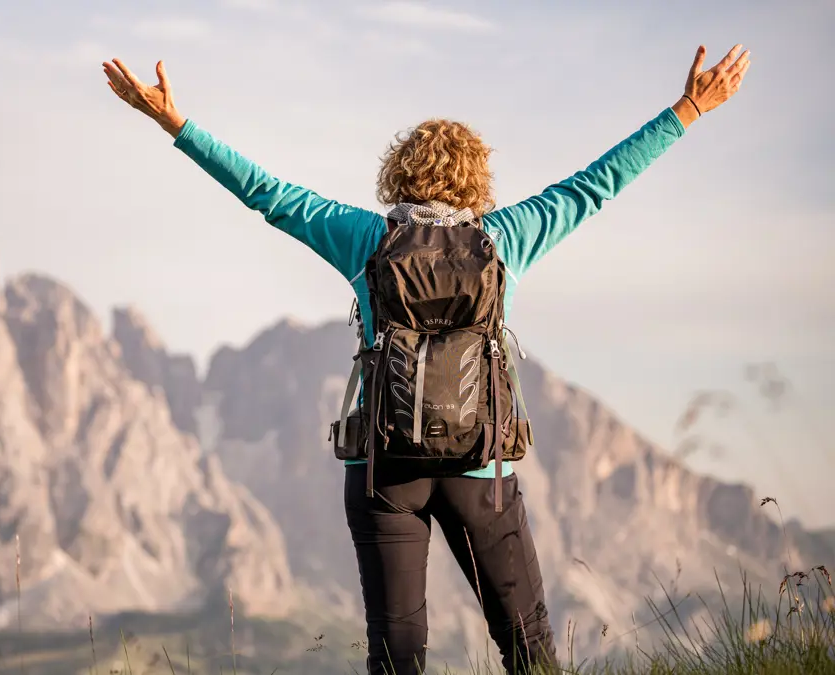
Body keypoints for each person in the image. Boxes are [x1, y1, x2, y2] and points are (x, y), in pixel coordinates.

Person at [102, 43, 750, 675]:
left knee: (397, 651)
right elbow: (596, 185)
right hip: (482, 468)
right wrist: (688, 109)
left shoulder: (363, 238)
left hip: (385, 467)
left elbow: (267, 193)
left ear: (398, 174)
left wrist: (175, 124)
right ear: (477, 179)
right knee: (528, 646)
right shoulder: (507, 238)